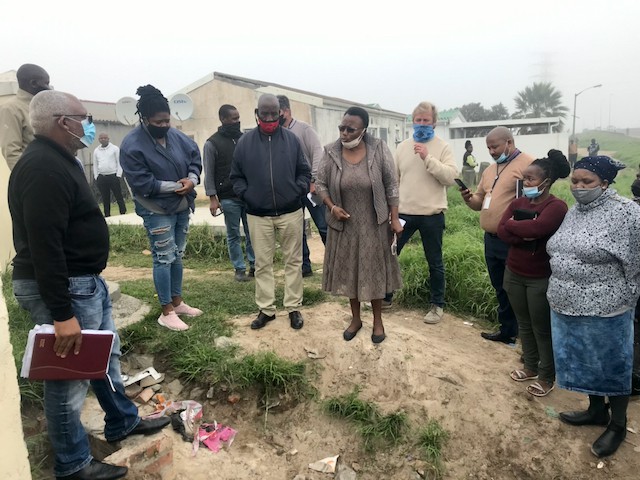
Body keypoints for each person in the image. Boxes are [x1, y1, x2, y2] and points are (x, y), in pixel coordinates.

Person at [8, 90, 169, 480]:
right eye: (83, 117)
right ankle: (73, 464)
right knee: (69, 381)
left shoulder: (57, 160)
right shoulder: (43, 167)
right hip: (65, 288)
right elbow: (45, 245)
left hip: (83, 283)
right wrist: (63, 315)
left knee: (103, 358)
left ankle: (121, 421)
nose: (89, 124)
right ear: (63, 122)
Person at [547, 156, 640, 458]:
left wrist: (630, 297)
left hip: (607, 307)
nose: (578, 187)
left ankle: (618, 424)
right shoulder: (575, 211)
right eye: (575, 181)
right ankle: (596, 410)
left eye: (587, 182)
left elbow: (636, 261)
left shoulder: (627, 213)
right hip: (566, 303)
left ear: (605, 182)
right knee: (583, 359)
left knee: (612, 364)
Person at [315, 106, 403, 344]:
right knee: (349, 272)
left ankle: (377, 321)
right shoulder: (331, 151)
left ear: (363, 129)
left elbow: (391, 185)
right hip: (344, 225)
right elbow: (320, 183)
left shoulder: (379, 149)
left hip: (375, 224)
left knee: (373, 272)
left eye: (350, 129)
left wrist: (394, 218)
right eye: (341, 128)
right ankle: (355, 319)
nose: (344, 133)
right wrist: (332, 206)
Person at [119, 85, 203, 332]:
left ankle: (178, 302)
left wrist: (193, 179)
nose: (165, 125)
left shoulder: (177, 137)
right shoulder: (132, 144)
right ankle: (166, 311)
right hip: (155, 208)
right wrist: (179, 186)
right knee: (164, 257)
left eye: (167, 120)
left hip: (180, 205)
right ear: (144, 120)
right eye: (159, 121)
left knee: (178, 254)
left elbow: (194, 159)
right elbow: (143, 183)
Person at [230, 94, 311, 330]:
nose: (268, 118)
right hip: (257, 215)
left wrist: (296, 191)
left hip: (290, 212)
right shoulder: (244, 143)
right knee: (263, 264)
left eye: (273, 113)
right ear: (257, 113)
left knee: (293, 261)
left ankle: (293, 307)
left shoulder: (292, 141)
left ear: (280, 113)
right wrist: (248, 196)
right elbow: (236, 177)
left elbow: (304, 173)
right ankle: (266, 309)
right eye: (264, 114)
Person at [497, 149, 570, 397]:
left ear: (546, 181)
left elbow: (540, 227)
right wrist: (522, 232)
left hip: (539, 277)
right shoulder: (517, 203)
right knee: (524, 323)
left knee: (541, 327)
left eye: (530, 179)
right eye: (524, 179)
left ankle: (547, 376)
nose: (525, 183)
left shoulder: (557, 206)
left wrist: (517, 227)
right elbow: (502, 230)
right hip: (514, 272)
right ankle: (529, 366)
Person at [460, 126, 534, 344]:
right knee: (500, 286)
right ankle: (507, 330)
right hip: (491, 239)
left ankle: (527, 337)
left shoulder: (528, 164)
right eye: (488, 147)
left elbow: (533, 200)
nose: (491, 151)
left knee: (516, 288)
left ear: (509, 143)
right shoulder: (490, 170)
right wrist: (467, 197)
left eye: (495, 146)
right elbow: (477, 203)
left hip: (512, 239)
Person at [384, 101, 457, 323]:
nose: (422, 124)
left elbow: (451, 177)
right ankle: (385, 297)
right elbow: (393, 181)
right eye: (418, 120)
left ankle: (437, 305)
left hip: (432, 214)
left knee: (434, 261)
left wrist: (428, 158)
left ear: (434, 123)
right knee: (390, 255)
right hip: (403, 213)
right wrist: (391, 212)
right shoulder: (402, 147)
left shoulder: (442, 146)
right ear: (412, 122)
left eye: (426, 120)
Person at [203, 104, 255, 282]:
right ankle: (239, 269)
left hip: (247, 195)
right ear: (223, 119)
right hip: (227, 197)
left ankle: (254, 266)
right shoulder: (212, 143)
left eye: (238, 117)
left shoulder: (245, 139)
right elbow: (209, 172)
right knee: (233, 234)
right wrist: (213, 198)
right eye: (233, 118)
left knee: (252, 232)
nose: (237, 121)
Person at [277, 95, 327, 277]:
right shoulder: (276, 133)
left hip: (310, 188)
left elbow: (317, 153)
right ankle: (304, 266)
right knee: (297, 230)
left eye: (278, 112)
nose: (275, 116)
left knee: (323, 225)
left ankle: (335, 264)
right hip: (291, 190)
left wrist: (314, 180)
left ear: (287, 111)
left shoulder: (304, 129)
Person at [0, 63, 50, 170]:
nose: (49, 88)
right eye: (46, 83)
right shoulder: (11, 108)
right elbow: (11, 152)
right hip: (34, 175)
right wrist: (28, 177)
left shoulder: (43, 106)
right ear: (33, 83)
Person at [93, 133, 127, 217]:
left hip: (113, 175)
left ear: (108, 139)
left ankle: (123, 212)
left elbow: (119, 162)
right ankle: (107, 215)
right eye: (101, 138)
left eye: (105, 138)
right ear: (99, 140)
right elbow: (95, 164)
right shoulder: (96, 150)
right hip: (102, 177)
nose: (103, 139)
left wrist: (118, 175)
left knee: (118, 195)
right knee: (105, 197)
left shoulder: (115, 149)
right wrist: (96, 176)